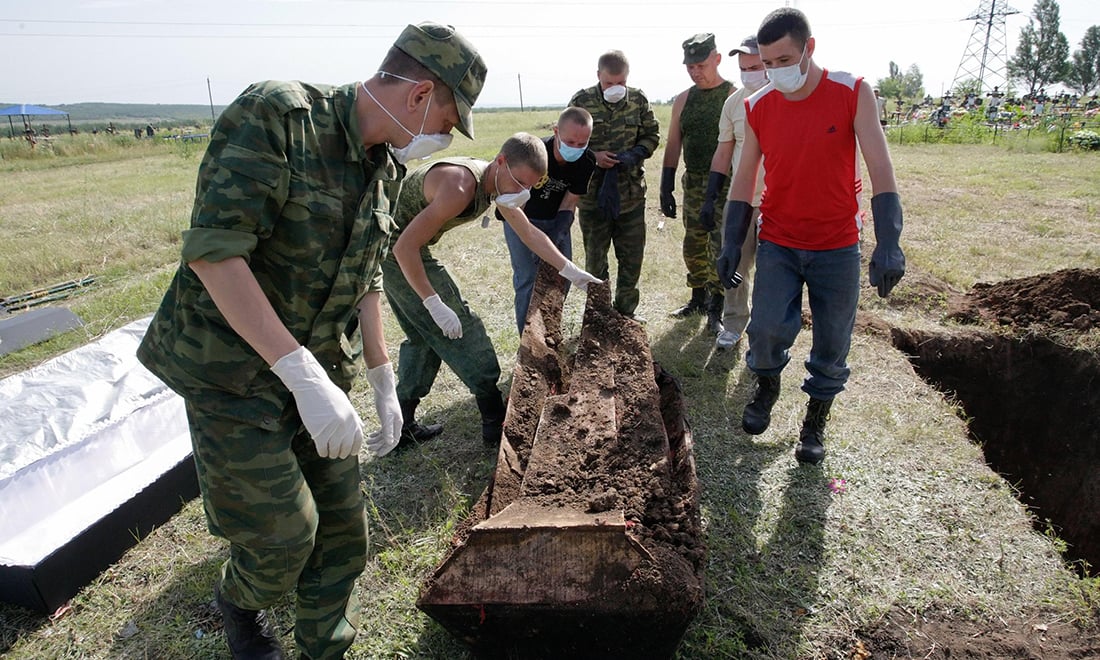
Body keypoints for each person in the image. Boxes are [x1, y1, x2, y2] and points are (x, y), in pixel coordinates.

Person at [136, 22, 486, 659]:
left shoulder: (382, 170)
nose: (439, 136)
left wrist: (382, 381)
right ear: (419, 95)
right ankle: (239, 605)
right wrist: (299, 374)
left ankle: (325, 645)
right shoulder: (277, 116)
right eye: (445, 118)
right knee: (281, 537)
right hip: (231, 374)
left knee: (346, 531)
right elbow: (216, 256)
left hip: (319, 372)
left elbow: (367, 279)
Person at [717, 7, 905, 466]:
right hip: (779, 239)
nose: (774, 71)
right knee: (763, 330)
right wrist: (729, 241)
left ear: (809, 48)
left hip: (837, 244)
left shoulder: (852, 92)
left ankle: (814, 422)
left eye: (783, 59)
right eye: (767, 62)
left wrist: (889, 240)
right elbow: (746, 179)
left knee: (832, 341)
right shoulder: (757, 105)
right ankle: (767, 388)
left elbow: (880, 167)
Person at [383, 132, 601, 448]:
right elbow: (404, 248)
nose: (523, 192)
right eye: (520, 182)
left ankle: (400, 426)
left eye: (531, 187)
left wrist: (571, 270)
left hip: (399, 245)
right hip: (394, 249)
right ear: (500, 161)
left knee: (424, 337)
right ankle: (493, 420)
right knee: (464, 328)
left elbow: (529, 234)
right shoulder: (461, 187)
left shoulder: (499, 184)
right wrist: (433, 302)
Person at [569, 50, 661, 321]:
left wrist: (636, 154)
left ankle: (625, 313)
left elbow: (652, 135)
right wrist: (593, 157)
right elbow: (568, 142)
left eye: (620, 83)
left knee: (631, 258)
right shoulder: (581, 101)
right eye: (609, 83)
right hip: (593, 197)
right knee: (596, 260)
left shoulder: (638, 100)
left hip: (630, 195)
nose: (615, 89)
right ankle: (598, 315)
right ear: (599, 77)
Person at [660, 33, 735, 335]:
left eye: (701, 65)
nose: (695, 71)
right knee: (693, 242)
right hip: (692, 182)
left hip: (727, 183)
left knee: (718, 243)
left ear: (717, 59)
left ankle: (717, 305)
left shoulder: (733, 95)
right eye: (690, 66)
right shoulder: (684, 99)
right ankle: (697, 297)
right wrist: (666, 185)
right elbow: (673, 143)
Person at [501, 107, 596, 334]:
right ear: (556, 131)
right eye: (570, 141)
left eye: (582, 143)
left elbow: (570, 201)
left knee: (563, 276)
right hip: (522, 218)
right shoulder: (535, 155)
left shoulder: (586, 161)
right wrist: (535, 242)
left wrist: (557, 233)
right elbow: (516, 204)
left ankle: (550, 331)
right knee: (528, 280)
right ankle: (528, 338)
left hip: (555, 219)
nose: (576, 148)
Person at [700, 34, 768, 350]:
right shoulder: (734, 103)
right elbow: (724, 152)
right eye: (743, 67)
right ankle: (734, 324)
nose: (748, 73)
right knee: (734, 266)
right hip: (741, 201)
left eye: (754, 66)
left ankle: (766, 330)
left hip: (777, 204)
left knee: (772, 271)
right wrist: (711, 196)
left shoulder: (785, 99)